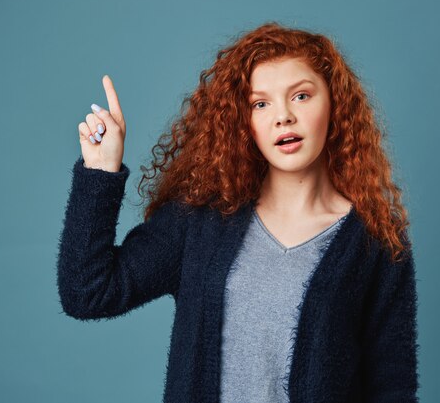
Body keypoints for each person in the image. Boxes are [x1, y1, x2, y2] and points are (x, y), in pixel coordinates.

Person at [57, 21, 420, 403]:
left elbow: (392, 386)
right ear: (244, 122)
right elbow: (88, 293)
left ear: (334, 104)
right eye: (260, 103)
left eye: (301, 96)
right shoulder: (200, 221)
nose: (283, 116)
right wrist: (100, 171)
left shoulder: (377, 241)